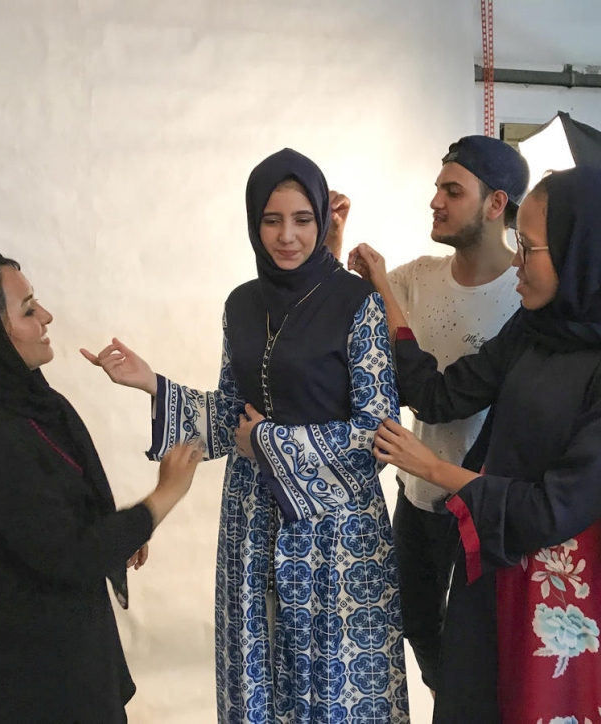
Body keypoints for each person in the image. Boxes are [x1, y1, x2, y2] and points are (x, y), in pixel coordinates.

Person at [356, 167, 601, 723]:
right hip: (498, 568)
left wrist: (436, 469)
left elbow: (558, 507)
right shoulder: (537, 327)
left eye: (529, 248)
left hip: (566, 600)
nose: (516, 263)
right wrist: (386, 294)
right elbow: (439, 396)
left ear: (585, 253)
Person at [83, 149, 409, 723]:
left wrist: (271, 443)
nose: (286, 236)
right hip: (252, 521)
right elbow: (232, 419)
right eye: (271, 220)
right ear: (253, 222)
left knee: (335, 689)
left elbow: (380, 433)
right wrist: (151, 384)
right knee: (258, 676)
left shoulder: (358, 305)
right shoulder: (242, 304)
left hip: (336, 535)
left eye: (302, 220)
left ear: (322, 221)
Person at [0, 250, 200, 723]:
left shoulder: (26, 404)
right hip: (31, 661)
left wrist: (118, 532)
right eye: (28, 309)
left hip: (63, 638)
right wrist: (161, 499)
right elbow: (69, 555)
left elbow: (58, 508)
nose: (47, 316)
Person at [340, 135, 527, 693]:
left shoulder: (525, 298)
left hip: (478, 499)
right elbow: (339, 312)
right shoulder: (418, 277)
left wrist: (382, 288)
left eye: (453, 189)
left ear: (496, 205)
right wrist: (333, 241)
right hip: (416, 496)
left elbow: (437, 396)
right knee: (417, 623)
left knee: (482, 643)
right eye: (437, 188)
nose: (436, 201)